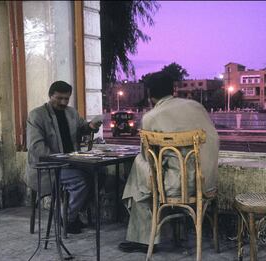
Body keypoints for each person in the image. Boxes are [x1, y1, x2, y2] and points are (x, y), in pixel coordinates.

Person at [118, 72, 219, 253]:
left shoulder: (151, 117)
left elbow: (149, 158)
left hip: (177, 187)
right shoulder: (196, 106)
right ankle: (150, 234)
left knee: (138, 169)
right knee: (149, 172)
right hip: (207, 181)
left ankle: (144, 238)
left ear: (150, 95)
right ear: (173, 90)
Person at [26, 80, 102, 234]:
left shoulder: (71, 112)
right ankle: (67, 217)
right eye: (59, 98)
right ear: (50, 96)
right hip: (47, 168)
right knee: (80, 180)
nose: (63, 102)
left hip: (69, 163)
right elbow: (36, 147)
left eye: (66, 99)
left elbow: (81, 128)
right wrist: (61, 160)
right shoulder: (36, 115)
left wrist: (91, 126)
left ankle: (72, 213)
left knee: (99, 175)